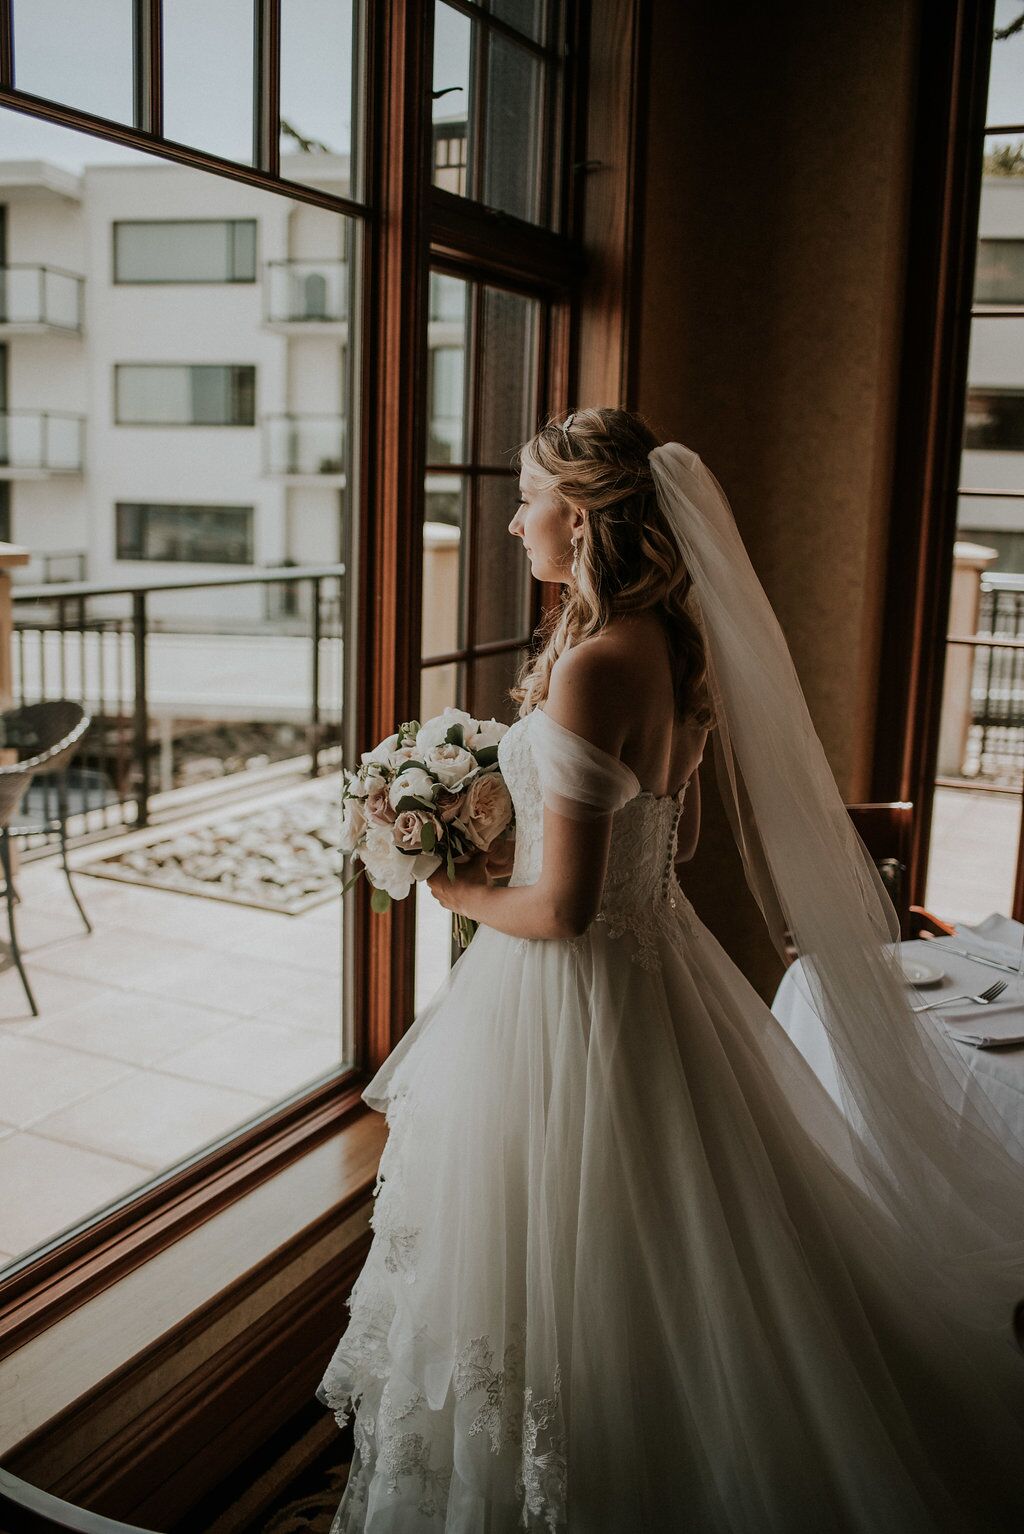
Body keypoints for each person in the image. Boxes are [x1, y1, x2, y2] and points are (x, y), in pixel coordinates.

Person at [317, 408, 1024, 1532]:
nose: (510, 523)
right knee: (683, 1242)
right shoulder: (668, 645)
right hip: (657, 969)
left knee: (569, 1247)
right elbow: (668, 843)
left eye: (529, 498)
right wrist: (510, 829)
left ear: (585, 515)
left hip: (573, 995)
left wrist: (452, 888)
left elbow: (563, 909)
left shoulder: (596, 664)